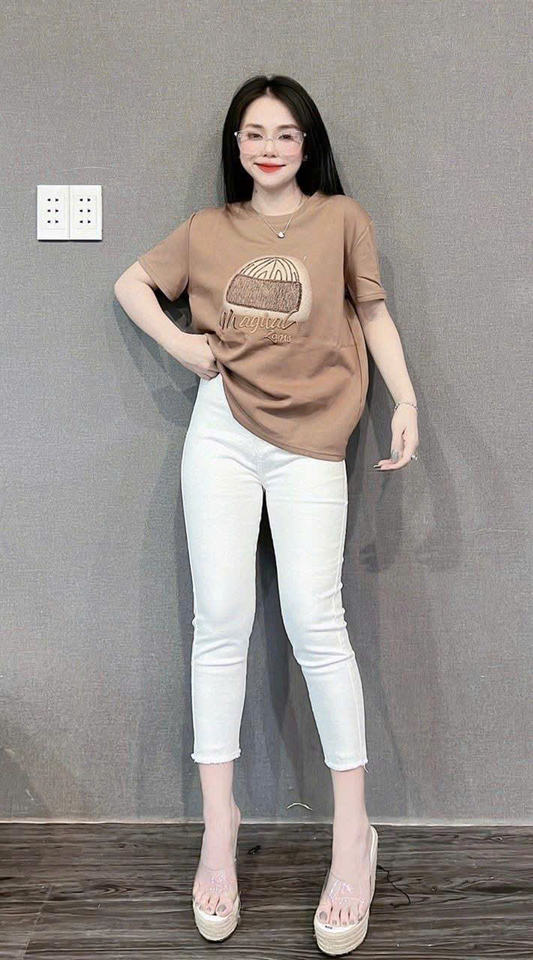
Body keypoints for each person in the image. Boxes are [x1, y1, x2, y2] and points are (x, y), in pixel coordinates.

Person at [114, 73, 419, 954]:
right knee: (219, 620)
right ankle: (219, 830)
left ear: (306, 143)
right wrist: (180, 343)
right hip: (220, 433)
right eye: (254, 133)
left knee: (315, 622)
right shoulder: (208, 230)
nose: (270, 147)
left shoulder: (342, 219)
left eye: (285, 133)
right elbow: (131, 284)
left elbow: (373, 315)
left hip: (313, 438)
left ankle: (352, 837)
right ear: (237, 145)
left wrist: (405, 400)